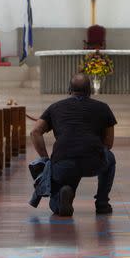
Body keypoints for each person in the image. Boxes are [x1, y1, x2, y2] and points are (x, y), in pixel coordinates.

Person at [30, 73, 117, 217]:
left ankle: (62, 197)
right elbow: (109, 143)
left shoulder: (55, 107)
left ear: (69, 89)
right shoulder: (103, 108)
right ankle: (102, 203)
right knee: (110, 158)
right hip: (93, 161)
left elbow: (35, 132)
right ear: (90, 91)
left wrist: (46, 159)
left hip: (63, 161)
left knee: (62, 186)